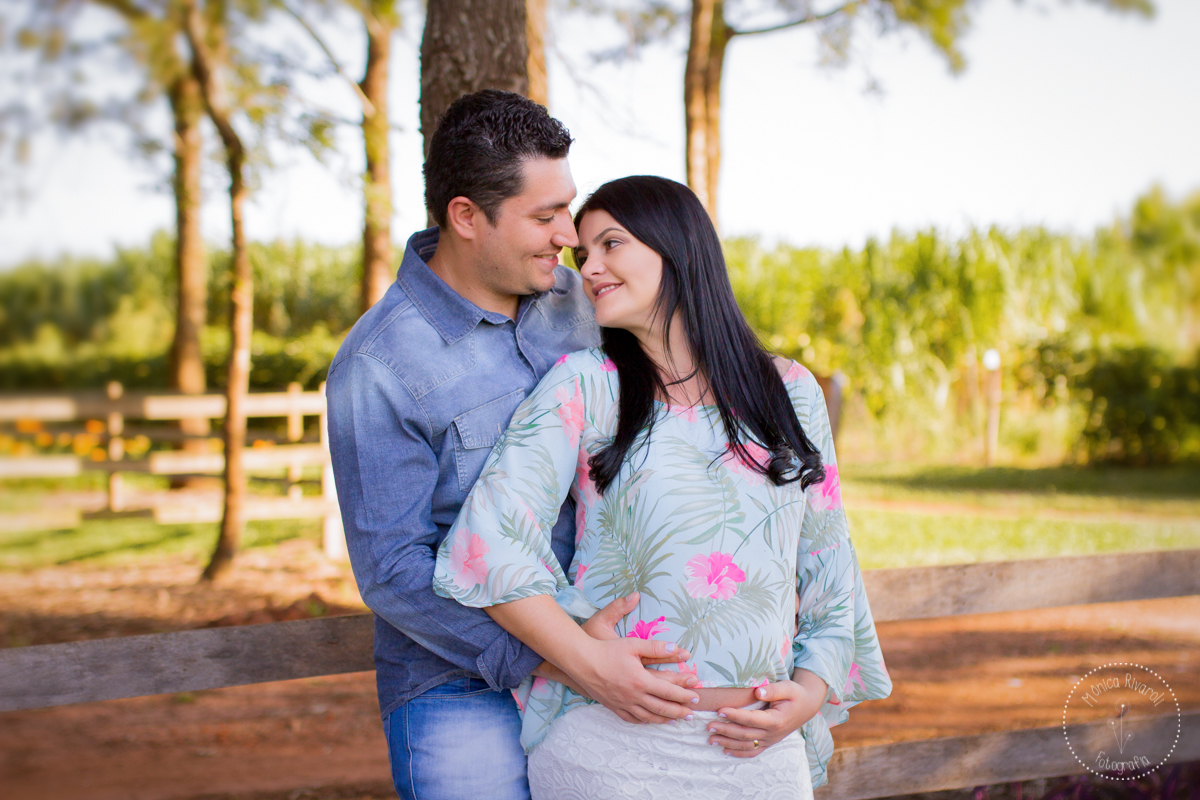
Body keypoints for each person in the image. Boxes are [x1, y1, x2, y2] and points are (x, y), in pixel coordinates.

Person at [433, 175, 893, 799]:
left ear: (676, 249)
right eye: (582, 254)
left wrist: (808, 695)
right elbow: (485, 544)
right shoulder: (585, 386)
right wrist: (584, 659)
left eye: (610, 245)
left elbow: (829, 568)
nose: (589, 268)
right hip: (610, 746)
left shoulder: (790, 391)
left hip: (759, 750)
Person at [325, 92, 703, 800]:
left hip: (618, 652)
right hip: (459, 682)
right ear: (466, 217)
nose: (569, 233)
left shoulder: (590, 304)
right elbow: (393, 569)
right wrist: (567, 659)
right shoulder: (378, 367)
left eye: (567, 207)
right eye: (543, 216)